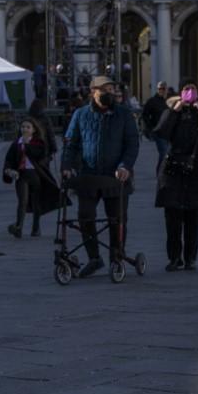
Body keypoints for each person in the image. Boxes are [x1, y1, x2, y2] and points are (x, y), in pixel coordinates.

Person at [61, 75, 140, 277]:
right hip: (89, 176)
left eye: (112, 90)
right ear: (93, 91)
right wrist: (67, 166)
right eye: (105, 90)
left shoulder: (124, 114)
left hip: (116, 177)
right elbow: (71, 144)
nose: (110, 93)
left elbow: (132, 144)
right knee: (85, 216)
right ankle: (94, 257)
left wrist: (125, 166)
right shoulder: (80, 114)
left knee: (117, 219)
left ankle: (116, 257)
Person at [152, 81, 198, 270]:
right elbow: (161, 132)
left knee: (193, 215)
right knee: (172, 215)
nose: (189, 92)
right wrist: (175, 110)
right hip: (173, 168)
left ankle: (191, 257)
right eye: (185, 89)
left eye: (193, 89)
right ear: (180, 92)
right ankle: (174, 257)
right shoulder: (172, 110)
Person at [1, 116, 61, 237]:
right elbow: (9, 159)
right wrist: (9, 170)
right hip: (21, 175)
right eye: (23, 127)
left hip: (35, 175)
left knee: (36, 202)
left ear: (34, 130)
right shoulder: (16, 144)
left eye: (28, 127)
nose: (25, 129)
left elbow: (38, 156)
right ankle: (19, 226)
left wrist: (27, 144)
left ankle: (36, 227)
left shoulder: (39, 143)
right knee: (22, 201)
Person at [141, 81, 171, 166]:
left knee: (168, 154)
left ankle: (165, 173)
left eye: (163, 88)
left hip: (169, 131)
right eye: (159, 89)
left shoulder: (169, 101)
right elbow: (145, 115)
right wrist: (151, 127)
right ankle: (160, 172)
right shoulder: (152, 101)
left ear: (166, 89)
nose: (161, 90)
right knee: (164, 153)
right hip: (159, 132)